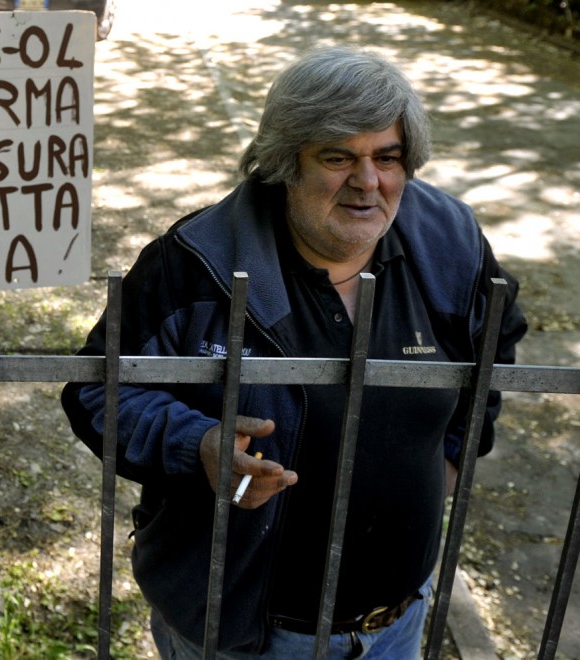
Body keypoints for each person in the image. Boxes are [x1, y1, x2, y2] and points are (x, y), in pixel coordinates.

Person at [60, 46, 528, 658]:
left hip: (396, 625)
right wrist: (197, 445)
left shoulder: (450, 241)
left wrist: (457, 452)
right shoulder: (196, 264)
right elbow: (97, 392)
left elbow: (496, 341)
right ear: (286, 163)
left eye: (387, 157)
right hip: (240, 635)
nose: (368, 182)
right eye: (338, 157)